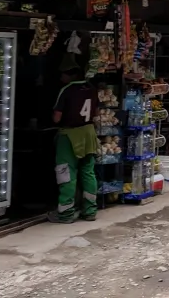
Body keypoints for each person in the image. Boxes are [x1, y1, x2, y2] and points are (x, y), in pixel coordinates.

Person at [50, 57, 98, 223]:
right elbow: (96, 113)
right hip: (89, 134)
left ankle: (66, 212)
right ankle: (90, 210)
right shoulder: (91, 88)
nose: (60, 78)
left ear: (67, 74)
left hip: (70, 136)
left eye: (62, 74)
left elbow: (57, 118)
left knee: (66, 172)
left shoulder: (67, 90)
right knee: (88, 172)